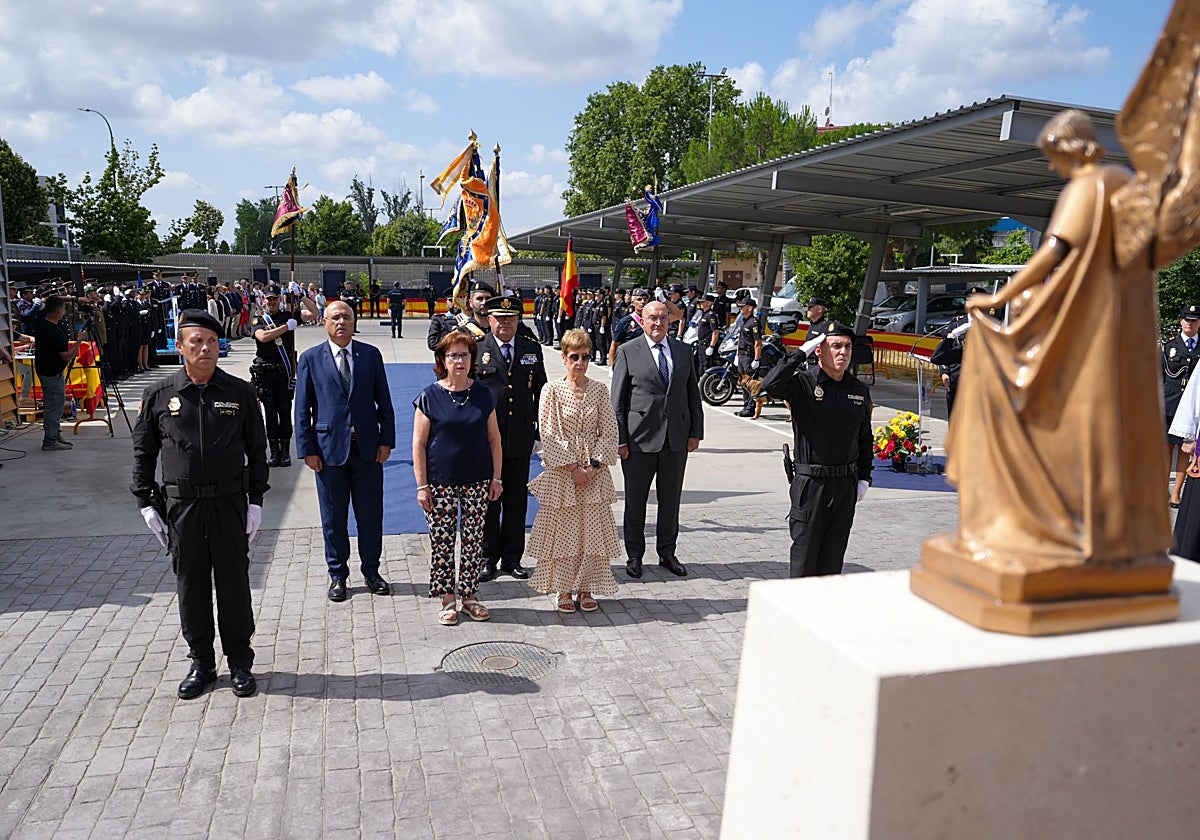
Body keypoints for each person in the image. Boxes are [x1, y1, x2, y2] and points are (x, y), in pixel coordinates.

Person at [946, 109, 1169, 569]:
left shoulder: (1088, 186)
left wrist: (999, 297)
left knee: (1040, 402)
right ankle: (1118, 531)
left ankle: (1056, 523)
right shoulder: (1126, 181)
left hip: (1088, 327)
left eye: (1053, 155)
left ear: (1071, 147)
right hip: (1128, 330)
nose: (1052, 167)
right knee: (1118, 422)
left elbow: (1054, 250)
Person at [131, 309, 268, 699]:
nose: (205, 348)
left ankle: (240, 661)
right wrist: (145, 502)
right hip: (182, 508)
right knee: (191, 586)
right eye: (196, 342)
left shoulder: (240, 393)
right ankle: (202, 663)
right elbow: (143, 453)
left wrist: (255, 500)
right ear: (180, 347)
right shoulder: (159, 396)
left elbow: (257, 451)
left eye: (211, 342)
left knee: (234, 584)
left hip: (229, 504)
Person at [294, 301, 396, 603]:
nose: (341, 322)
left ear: (354, 322)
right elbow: (302, 409)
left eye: (347, 317)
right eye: (335, 317)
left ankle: (372, 571)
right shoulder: (311, 359)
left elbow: (384, 403)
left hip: (367, 450)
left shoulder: (370, 355)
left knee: (370, 515)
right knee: (333, 518)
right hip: (328, 453)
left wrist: (385, 441)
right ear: (324, 322)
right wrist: (307, 449)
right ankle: (337, 575)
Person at [761, 322, 874, 577]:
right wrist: (799, 354)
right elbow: (769, 385)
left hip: (845, 485)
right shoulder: (803, 383)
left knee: (833, 562)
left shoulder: (858, 390)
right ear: (819, 351)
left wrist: (865, 477)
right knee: (805, 560)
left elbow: (865, 439)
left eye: (847, 346)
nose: (843, 352)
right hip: (811, 485)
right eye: (835, 346)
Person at [412, 333, 504, 625]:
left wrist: (497, 478)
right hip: (440, 482)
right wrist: (422, 486)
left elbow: (494, 439)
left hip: (477, 480)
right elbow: (418, 444)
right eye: (453, 356)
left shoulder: (483, 394)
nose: (460, 361)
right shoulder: (429, 396)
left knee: (474, 539)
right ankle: (447, 599)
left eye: (465, 355)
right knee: (442, 540)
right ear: (442, 360)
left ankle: (470, 597)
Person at [527, 329, 621, 612]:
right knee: (565, 533)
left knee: (591, 532)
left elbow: (610, 431)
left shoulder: (599, 390)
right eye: (574, 357)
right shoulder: (551, 390)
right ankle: (564, 589)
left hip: (594, 472)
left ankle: (587, 587)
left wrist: (592, 467)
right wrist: (572, 468)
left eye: (585, 357)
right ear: (564, 358)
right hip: (562, 474)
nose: (580, 363)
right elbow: (549, 432)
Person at [611, 300, 704, 578]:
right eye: (652, 318)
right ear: (642, 320)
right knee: (636, 501)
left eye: (663, 318)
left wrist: (695, 431)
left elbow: (692, 395)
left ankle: (667, 552)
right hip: (639, 440)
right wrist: (620, 439)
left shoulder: (683, 351)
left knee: (670, 500)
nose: (658, 323)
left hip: (675, 439)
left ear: (669, 321)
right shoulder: (628, 351)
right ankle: (635, 555)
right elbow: (618, 401)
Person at [475, 293, 547, 582]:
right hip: (486, 438)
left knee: (517, 500)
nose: (505, 324)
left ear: (519, 320)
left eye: (511, 319)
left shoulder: (531, 348)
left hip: (519, 437)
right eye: (499, 319)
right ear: (489, 319)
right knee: (490, 500)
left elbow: (541, 391)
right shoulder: (478, 348)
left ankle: (513, 558)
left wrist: (540, 432)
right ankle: (488, 557)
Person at [251, 286, 319, 467]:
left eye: (274, 299)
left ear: (280, 299)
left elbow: (314, 312)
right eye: (268, 299)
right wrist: (285, 328)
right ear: (263, 300)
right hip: (265, 373)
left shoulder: (289, 314)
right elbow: (263, 337)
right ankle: (273, 452)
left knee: (285, 411)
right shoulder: (259, 319)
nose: (271, 302)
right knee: (270, 414)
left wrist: (301, 296)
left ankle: (285, 451)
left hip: (284, 372)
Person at [34, 295, 82, 451]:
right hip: (52, 372)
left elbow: (51, 299)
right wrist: (79, 341)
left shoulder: (41, 321)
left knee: (54, 404)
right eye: (61, 310)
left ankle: (54, 434)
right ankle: (50, 440)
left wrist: (73, 299)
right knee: (54, 406)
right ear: (58, 312)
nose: (63, 313)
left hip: (44, 369)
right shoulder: (55, 332)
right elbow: (67, 357)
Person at [1164, 305, 1200, 508]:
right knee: (1166, 449)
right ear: (1180, 321)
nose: (1189, 323)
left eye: (1194, 320)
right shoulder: (1168, 347)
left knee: (1186, 451)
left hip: (1192, 410)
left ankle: (1176, 492)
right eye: (1186, 319)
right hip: (1169, 406)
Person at [734, 298, 764, 417]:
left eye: (743, 306)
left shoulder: (754, 323)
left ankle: (750, 407)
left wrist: (756, 359)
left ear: (750, 308)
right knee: (743, 383)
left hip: (749, 355)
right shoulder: (744, 321)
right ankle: (745, 405)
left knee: (750, 383)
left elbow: (758, 342)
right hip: (741, 354)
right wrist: (737, 355)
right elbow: (740, 340)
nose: (740, 308)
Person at [608, 287, 650, 365]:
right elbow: (614, 345)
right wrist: (612, 366)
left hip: (648, 362)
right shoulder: (624, 322)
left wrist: (664, 300)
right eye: (639, 299)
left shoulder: (653, 320)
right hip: (630, 362)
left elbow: (678, 315)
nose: (642, 302)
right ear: (633, 302)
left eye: (645, 299)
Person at [694, 293, 721, 374]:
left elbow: (715, 332)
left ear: (709, 303)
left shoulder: (711, 315)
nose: (701, 304)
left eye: (703, 302)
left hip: (707, 344)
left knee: (706, 366)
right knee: (701, 366)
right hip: (701, 344)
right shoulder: (703, 314)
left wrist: (711, 346)